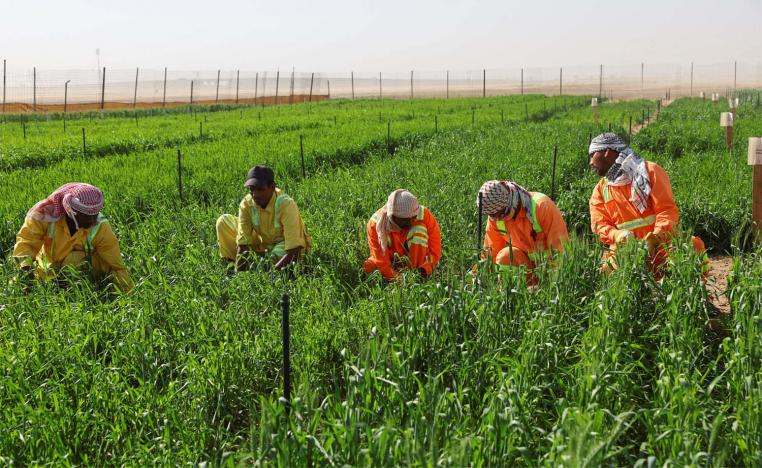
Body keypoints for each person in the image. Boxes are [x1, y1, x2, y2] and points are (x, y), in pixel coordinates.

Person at [587, 132, 707, 276]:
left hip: (661, 247)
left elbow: (666, 211)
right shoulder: (601, 189)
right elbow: (599, 225)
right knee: (605, 273)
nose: (590, 162)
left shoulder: (649, 172)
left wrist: (655, 239)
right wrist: (616, 234)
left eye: (592, 155)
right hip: (626, 253)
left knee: (693, 246)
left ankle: (697, 295)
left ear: (606, 152)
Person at [12, 182, 134, 292]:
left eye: (95, 214)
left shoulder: (100, 226)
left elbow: (116, 265)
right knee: (16, 283)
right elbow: (26, 241)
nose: (92, 220)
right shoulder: (44, 216)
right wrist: (25, 269)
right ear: (70, 210)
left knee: (73, 260)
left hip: (85, 271)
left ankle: (71, 288)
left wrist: (128, 293)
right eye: (86, 215)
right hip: (48, 267)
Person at [216, 165, 310, 272]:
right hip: (264, 244)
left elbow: (294, 249)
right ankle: (234, 264)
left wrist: (270, 276)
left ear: (272, 187)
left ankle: (267, 267)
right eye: (252, 189)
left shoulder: (286, 204)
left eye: (260, 189)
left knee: (277, 255)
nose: (255, 194)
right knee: (223, 221)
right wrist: (239, 276)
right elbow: (243, 242)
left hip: (286, 246)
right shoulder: (247, 203)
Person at [477, 180, 569, 274]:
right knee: (505, 257)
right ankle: (519, 287)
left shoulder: (542, 206)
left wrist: (555, 282)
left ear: (508, 203)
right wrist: (477, 274)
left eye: (499, 214)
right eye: (492, 215)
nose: (496, 219)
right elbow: (490, 252)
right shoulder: (495, 217)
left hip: (549, 270)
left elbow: (560, 249)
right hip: (526, 270)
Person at [363, 189, 441, 281]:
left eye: (414, 217)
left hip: (414, 259)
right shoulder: (376, 225)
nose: (411, 222)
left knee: (419, 230)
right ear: (392, 216)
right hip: (390, 260)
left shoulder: (423, 215)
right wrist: (401, 280)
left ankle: (416, 273)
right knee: (368, 267)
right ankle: (397, 274)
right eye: (405, 220)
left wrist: (424, 269)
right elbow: (381, 261)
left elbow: (435, 249)